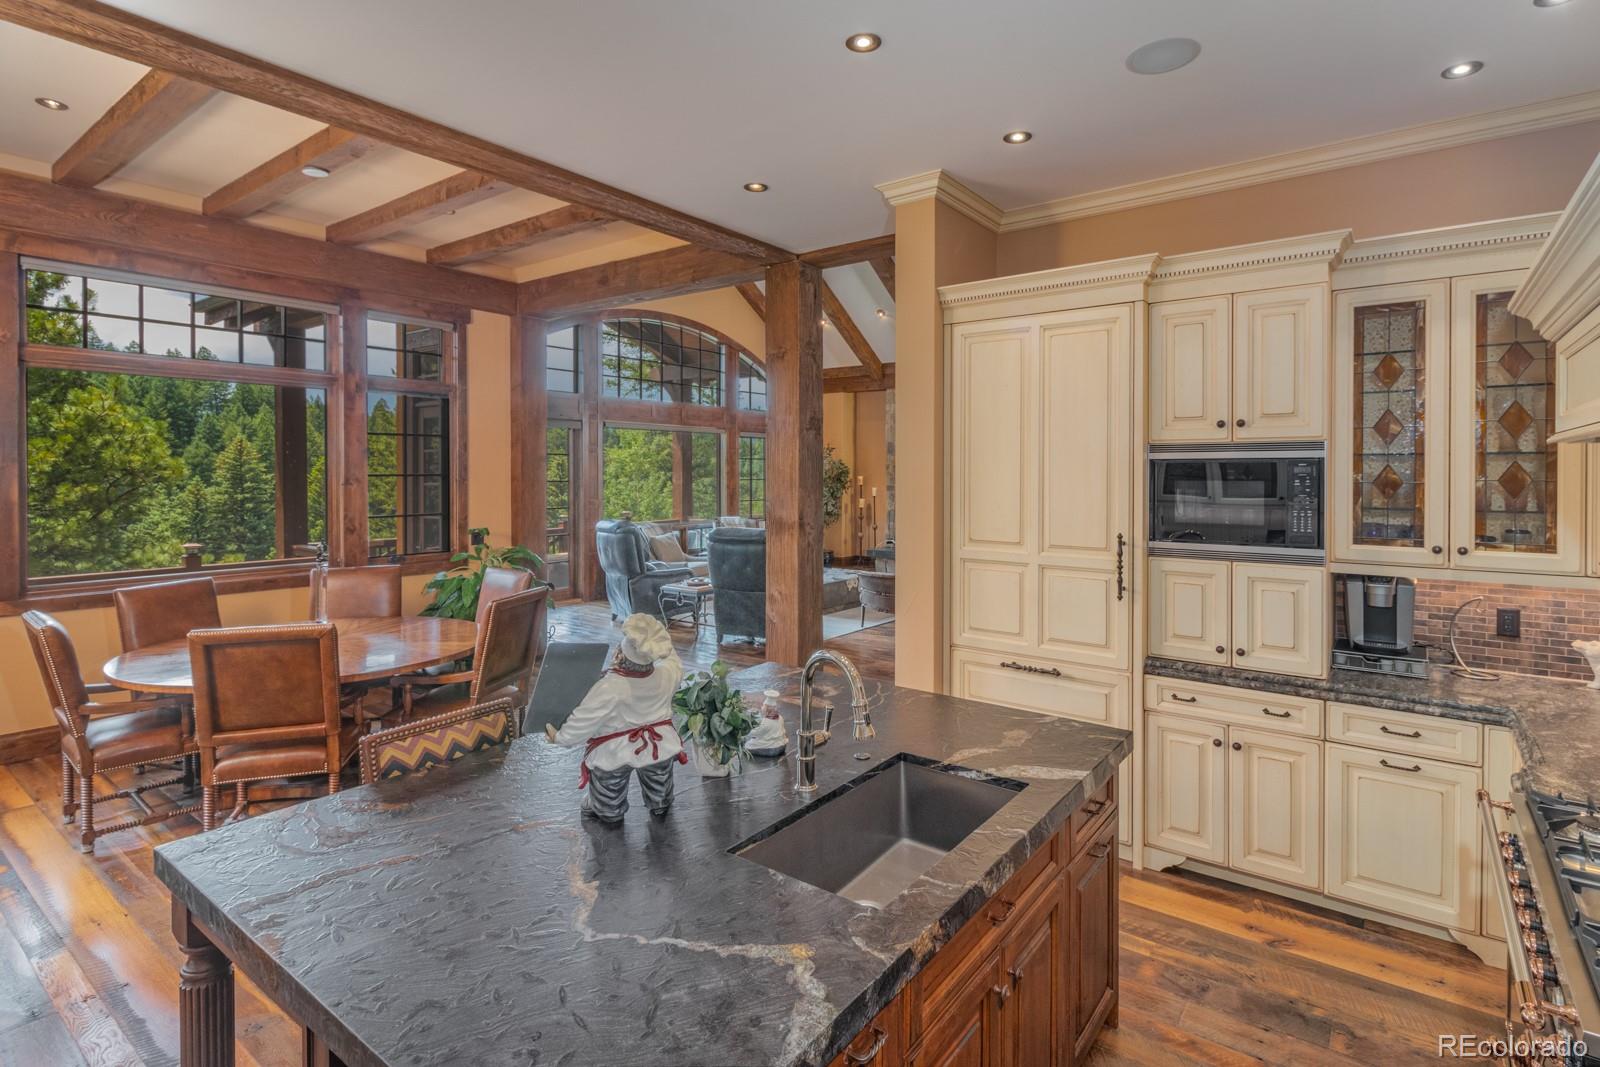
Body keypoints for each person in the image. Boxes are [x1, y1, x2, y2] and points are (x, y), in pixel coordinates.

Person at [546, 613, 685, 823]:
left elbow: (584, 718)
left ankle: (609, 810)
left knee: (608, 784)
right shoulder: (667, 674)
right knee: (660, 777)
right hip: (660, 746)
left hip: (616, 751)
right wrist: (656, 638)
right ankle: (660, 802)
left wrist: (562, 737)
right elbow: (672, 658)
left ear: (620, 653)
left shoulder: (610, 686)